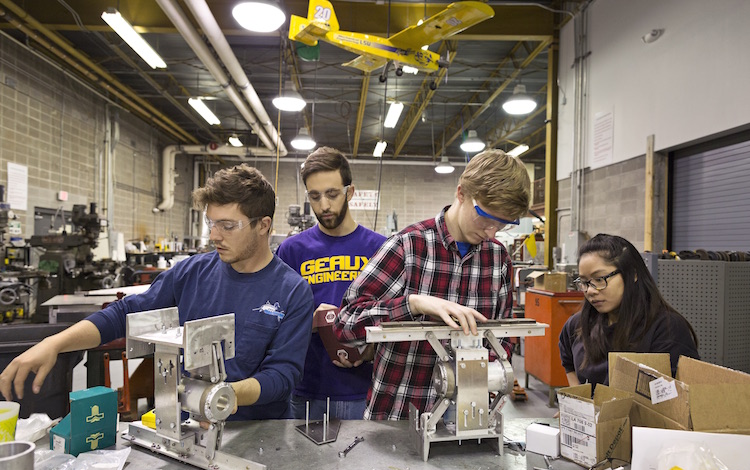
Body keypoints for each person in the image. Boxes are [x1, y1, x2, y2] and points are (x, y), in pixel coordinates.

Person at [0, 165, 314, 420]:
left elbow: (282, 375)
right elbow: (125, 314)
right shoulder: (193, 272)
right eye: (211, 224)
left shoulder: (292, 291)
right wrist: (55, 344)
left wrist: (224, 396)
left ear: (263, 225)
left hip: (259, 433)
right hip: (186, 427)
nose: (215, 235)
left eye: (228, 226)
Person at [334, 149, 531, 420]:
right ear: (461, 193)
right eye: (485, 219)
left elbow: (505, 336)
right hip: (400, 417)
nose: (491, 232)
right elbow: (345, 324)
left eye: (503, 224)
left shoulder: (498, 259)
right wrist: (413, 304)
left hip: (468, 420)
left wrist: (488, 374)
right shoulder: (408, 246)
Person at [276, 146, 386, 420]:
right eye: (315, 196)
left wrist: (372, 349)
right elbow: (273, 315)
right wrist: (309, 322)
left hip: (363, 390)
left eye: (332, 194)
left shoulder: (381, 248)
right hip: (306, 391)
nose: (324, 205)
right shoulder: (292, 250)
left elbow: (395, 314)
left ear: (350, 192)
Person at [559, 233, 699, 389]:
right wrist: (577, 401)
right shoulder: (578, 324)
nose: (590, 291)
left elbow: (677, 394)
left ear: (632, 274)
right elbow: (567, 359)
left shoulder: (666, 328)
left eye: (599, 279)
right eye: (584, 282)